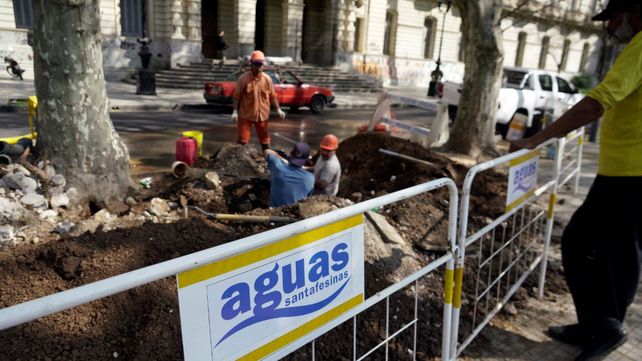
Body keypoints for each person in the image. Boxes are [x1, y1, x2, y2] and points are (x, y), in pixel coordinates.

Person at [510, 2, 642, 360]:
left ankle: (606, 328)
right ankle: (597, 325)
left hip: (631, 174)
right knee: (593, 245)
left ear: (633, 11)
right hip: (621, 171)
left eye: (614, 18)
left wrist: (536, 139)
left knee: (608, 250)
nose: (611, 27)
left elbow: (596, 103)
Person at [232, 50, 286, 151]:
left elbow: (272, 95)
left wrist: (278, 109)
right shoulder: (243, 79)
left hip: (263, 115)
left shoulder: (267, 79)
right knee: (242, 141)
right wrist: (235, 111)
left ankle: (267, 159)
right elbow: (236, 96)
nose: (259, 67)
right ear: (251, 65)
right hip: (246, 115)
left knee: (265, 140)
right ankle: (240, 159)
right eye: (257, 64)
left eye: (261, 64)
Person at [264, 142, 315, 207]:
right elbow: (308, 197)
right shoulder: (309, 178)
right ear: (306, 159)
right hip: (293, 213)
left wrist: (282, 159)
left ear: (291, 154)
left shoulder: (278, 167)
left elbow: (267, 151)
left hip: (273, 211)